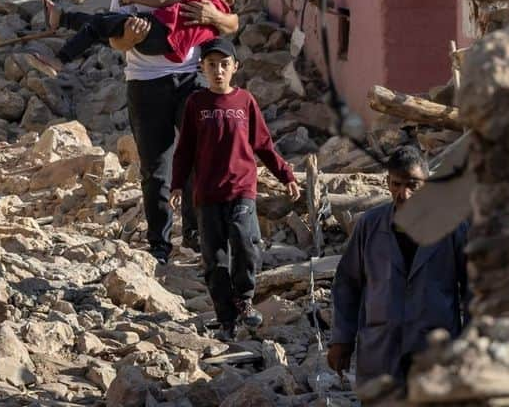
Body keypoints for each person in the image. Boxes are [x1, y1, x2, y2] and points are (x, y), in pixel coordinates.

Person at [109, 0, 239, 264]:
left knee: (203, 156)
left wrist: (214, 16)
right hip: (146, 81)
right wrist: (129, 39)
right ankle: (160, 245)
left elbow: (232, 25)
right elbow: (114, 41)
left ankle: (199, 238)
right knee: (156, 168)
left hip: (193, 76)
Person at [170, 38, 300, 340]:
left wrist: (286, 175)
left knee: (245, 242)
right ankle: (226, 320)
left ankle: (244, 297)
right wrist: (176, 185)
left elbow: (263, 145)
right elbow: (185, 149)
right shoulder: (196, 104)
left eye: (224, 65)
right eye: (211, 65)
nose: (218, 71)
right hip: (207, 194)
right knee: (215, 261)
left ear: (235, 68)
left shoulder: (245, 102)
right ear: (202, 68)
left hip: (242, 188)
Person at [328, 145, 468, 388]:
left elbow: (473, 288)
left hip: (434, 350)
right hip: (381, 351)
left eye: (413, 185)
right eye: (397, 184)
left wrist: (473, 342)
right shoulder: (370, 226)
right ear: (388, 182)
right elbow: (348, 284)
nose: (404, 194)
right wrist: (342, 338)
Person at [35, 0, 246, 70]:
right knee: (100, 25)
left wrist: (135, 0)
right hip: (160, 44)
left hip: (157, 30)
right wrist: (135, 0)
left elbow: (166, 1)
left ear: (229, 1)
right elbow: (233, 24)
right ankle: (61, 20)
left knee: (99, 23)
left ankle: (61, 57)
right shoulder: (220, 25)